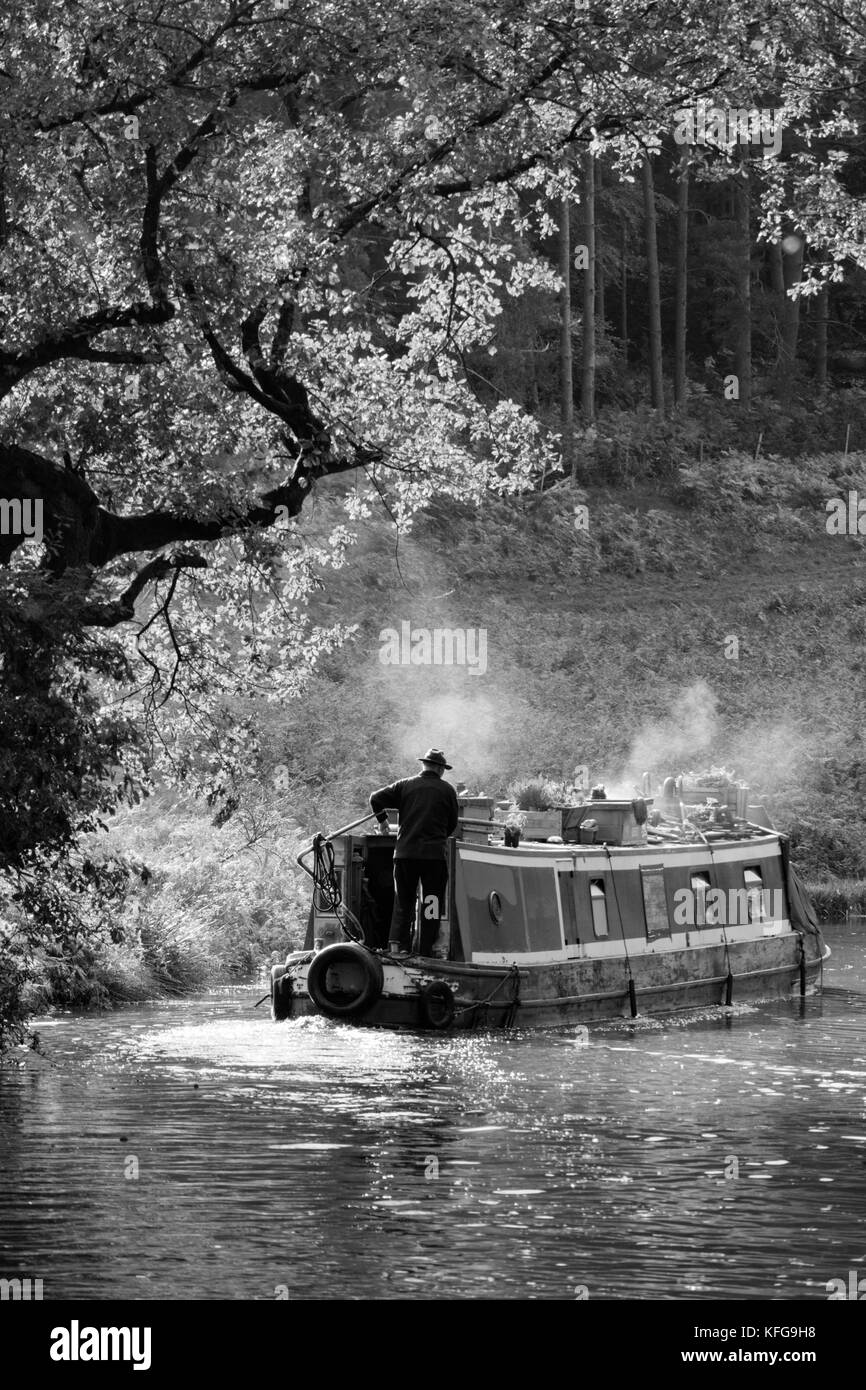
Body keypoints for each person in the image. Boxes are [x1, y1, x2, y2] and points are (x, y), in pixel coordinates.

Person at [369, 748, 459, 956]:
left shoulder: (405, 785)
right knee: (432, 902)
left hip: (404, 855)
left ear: (424, 765)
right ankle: (425, 949)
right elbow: (452, 823)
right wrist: (437, 837)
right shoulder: (447, 790)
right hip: (433, 857)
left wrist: (383, 822)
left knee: (403, 901)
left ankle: (396, 946)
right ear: (439, 768)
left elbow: (376, 798)